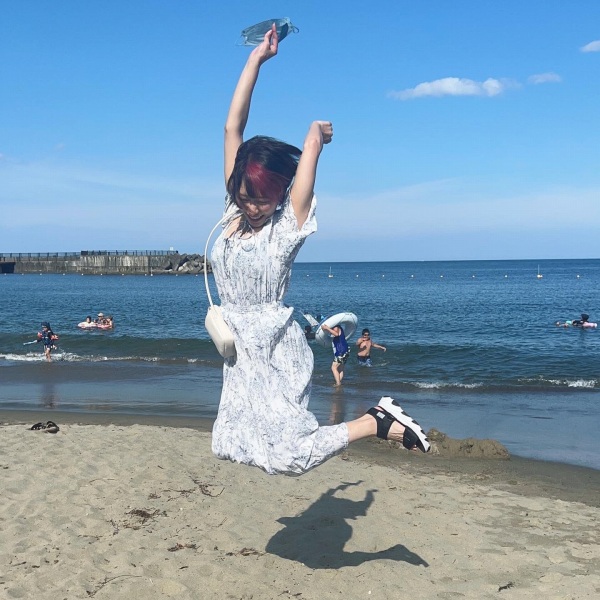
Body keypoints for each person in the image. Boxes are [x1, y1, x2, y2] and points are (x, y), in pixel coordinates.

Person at [209, 24, 430, 476]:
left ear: (279, 194)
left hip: (274, 350)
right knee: (229, 444)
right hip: (237, 353)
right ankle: (377, 419)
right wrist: (256, 59)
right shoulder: (232, 212)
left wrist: (313, 138)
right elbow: (233, 127)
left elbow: (306, 162)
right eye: (246, 197)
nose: (252, 206)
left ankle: (374, 421)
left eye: (263, 199)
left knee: (289, 456)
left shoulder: (283, 227)